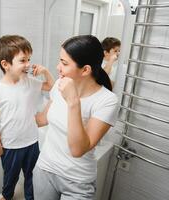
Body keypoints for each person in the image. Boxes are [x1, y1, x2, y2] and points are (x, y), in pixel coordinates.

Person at [33, 35, 118, 200]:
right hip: (45, 170)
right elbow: (42, 119)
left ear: (85, 70)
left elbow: (78, 149)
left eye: (64, 63)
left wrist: (73, 102)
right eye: (60, 61)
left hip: (78, 182)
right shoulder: (59, 86)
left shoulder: (107, 101)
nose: (58, 67)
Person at [0, 35, 54, 200]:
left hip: (32, 141)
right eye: (23, 60)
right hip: (10, 145)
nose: (28, 64)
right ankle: (6, 196)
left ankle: (31, 198)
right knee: (11, 178)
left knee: (33, 177)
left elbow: (52, 87)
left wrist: (45, 71)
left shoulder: (30, 82)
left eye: (29, 59)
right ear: (5, 64)